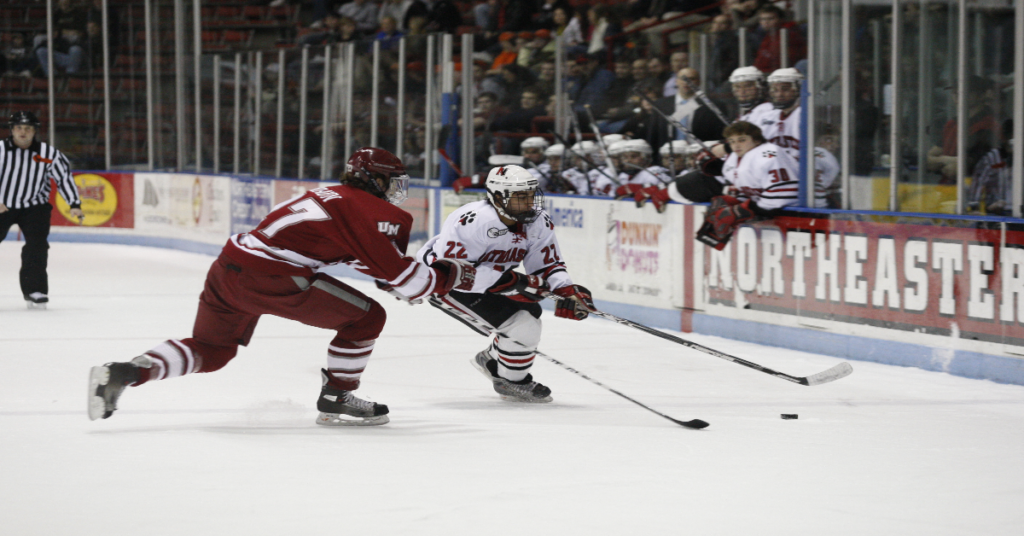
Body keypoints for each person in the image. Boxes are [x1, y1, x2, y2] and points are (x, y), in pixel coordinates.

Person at [87, 148, 476, 426]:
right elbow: (411, 282)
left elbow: (357, 256)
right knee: (367, 318)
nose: (396, 190)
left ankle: (128, 371)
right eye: (392, 181)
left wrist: (394, 277)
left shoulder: (330, 195)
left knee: (213, 350)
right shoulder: (371, 209)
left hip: (229, 267)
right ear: (376, 179)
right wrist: (453, 275)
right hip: (273, 276)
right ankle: (337, 396)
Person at [418, 164, 594, 403]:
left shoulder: (538, 220)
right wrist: (509, 281)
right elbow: (453, 272)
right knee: (522, 326)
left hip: (488, 280)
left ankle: (492, 360)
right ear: (498, 197)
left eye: (531, 194)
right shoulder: (473, 220)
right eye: (521, 196)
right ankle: (511, 381)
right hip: (444, 284)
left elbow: (547, 263)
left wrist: (566, 290)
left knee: (530, 312)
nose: (530, 202)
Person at [0, 111, 83, 309]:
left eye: (28, 128)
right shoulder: (0, 150)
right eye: (19, 128)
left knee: (37, 246)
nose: (23, 132)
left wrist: (74, 204)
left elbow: (64, 178)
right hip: (2, 205)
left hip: (34, 206)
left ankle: (35, 290)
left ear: (34, 131)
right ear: (12, 130)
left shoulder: (48, 154)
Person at [696, 121, 799, 250]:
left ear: (757, 140)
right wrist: (736, 201)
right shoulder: (733, 160)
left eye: (742, 140)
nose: (736, 145)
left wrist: (739, 211)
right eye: (732, 141)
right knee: (720, 205)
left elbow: (782, 195)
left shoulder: (770, 154)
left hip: (799, 217)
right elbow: (752, 190)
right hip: (778, 217)